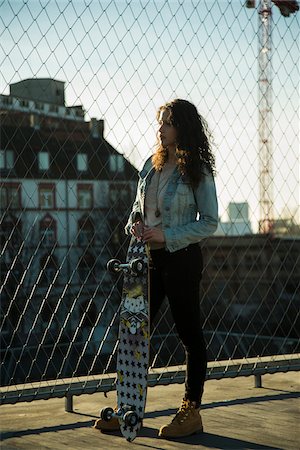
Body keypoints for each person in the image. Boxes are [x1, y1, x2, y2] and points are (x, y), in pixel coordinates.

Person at [94, 98, 218, 438]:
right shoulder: (151, 165)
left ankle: (191, 410)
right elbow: (138, 206)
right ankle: (127, 410)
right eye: (159, 122)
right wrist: (135, 222)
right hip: (144, 260)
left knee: (189, 333)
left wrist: (168, 234)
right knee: (133, 334)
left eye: (166, 123)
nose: (159, 128)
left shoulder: (196, 170)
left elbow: (209, 222)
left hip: (181, 258)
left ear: (182, 127)